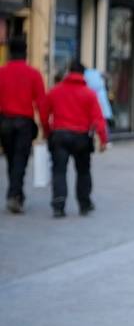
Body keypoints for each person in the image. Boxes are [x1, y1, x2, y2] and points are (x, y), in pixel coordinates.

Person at [43, 60, 109, 218]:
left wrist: (47, 132)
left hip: (59, 135)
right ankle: (84, 204)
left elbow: (45, 113)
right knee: (83, 172)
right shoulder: (89, 94)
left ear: (68, 72)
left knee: (59, 171)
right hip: (81, 138)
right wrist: (103, 140)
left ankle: (59, 205)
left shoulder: (55, 91)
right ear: (83, 74)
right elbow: (98, 119)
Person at [0, 37, 47, 214]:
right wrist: (45, 127)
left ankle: (17, 194)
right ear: (26, 52)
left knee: (12, 159)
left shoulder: (2, 73)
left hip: (4, 122)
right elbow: (41, 103)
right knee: (20, 160)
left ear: (10, 53)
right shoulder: (33, 74)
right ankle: (14, 195)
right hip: (24, 123)